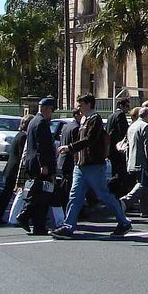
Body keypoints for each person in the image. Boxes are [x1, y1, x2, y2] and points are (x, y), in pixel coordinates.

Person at [52, 94, 132, 239]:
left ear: (89, 104)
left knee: (104, 195)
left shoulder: (95, 119)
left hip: (94, 165)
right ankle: (68, 226)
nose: (78, 107)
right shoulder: (85, 120)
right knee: (75, 195)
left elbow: (89, 140)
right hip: (81, 165)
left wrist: (70, 147)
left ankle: (124, 221)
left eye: (81, 104)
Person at [23, 97, 59, 235]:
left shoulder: (33, 121)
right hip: (41, 165)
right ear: (46, 109)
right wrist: (44, 164)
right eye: (51, 110)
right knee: (42, 196)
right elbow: (41, 146)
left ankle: (36, 224)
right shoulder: (42, 122)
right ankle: (28, 218)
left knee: (38, 195)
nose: (52, 114)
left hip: (33, 163)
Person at [0, 114, 31, 224]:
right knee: (9, 194)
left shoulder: (19, 135)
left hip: (10, 169)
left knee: (6, 194)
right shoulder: (24, 137)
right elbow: (23, 154)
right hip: (14, 170)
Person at [122, 106, 148, 217]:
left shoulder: (132, 126)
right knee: (143, 185)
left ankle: (145, 210)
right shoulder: (146, 127)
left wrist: (128, 161)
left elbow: (127, 146)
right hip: (143, 162)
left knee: (143, 185)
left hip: (132, 161)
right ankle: (125, 201)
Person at [55, 103, 83, 217]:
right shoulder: (76, 127)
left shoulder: (66, 126)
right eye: (81, 114)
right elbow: (75, 146)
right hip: (69, 160)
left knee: (64, 186)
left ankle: (63, 209)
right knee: (69, 188)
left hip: (62, 160)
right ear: (76, 115)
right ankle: (68, 211)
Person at [107, 97, 131, 180]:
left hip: (111, 148)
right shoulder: (120, 115)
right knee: (120, 170)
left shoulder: (111, 116)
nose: (128, 109)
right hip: (118, 147)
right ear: (121, 106)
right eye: (127, 106)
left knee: (114, 169)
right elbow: (123, 131)